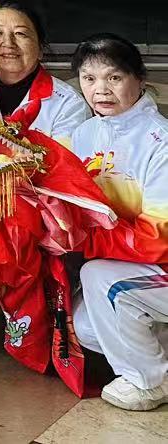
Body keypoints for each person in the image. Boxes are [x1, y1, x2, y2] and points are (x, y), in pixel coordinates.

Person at [67, 35, 168, 412]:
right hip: (132, 264)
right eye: (89, 78)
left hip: (160, 261)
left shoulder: (160, 142)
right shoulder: (84, 134)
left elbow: (159, 238)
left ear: (139, 78)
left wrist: (88, 239)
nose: (101, 90)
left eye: (114, 77)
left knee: (100, 278)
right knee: (87, 326)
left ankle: (150, 383)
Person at [0, 1, 89, 158]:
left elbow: (66, 168)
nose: (8, 42)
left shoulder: (69, 104)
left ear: (40, 48)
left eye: (20, 33)